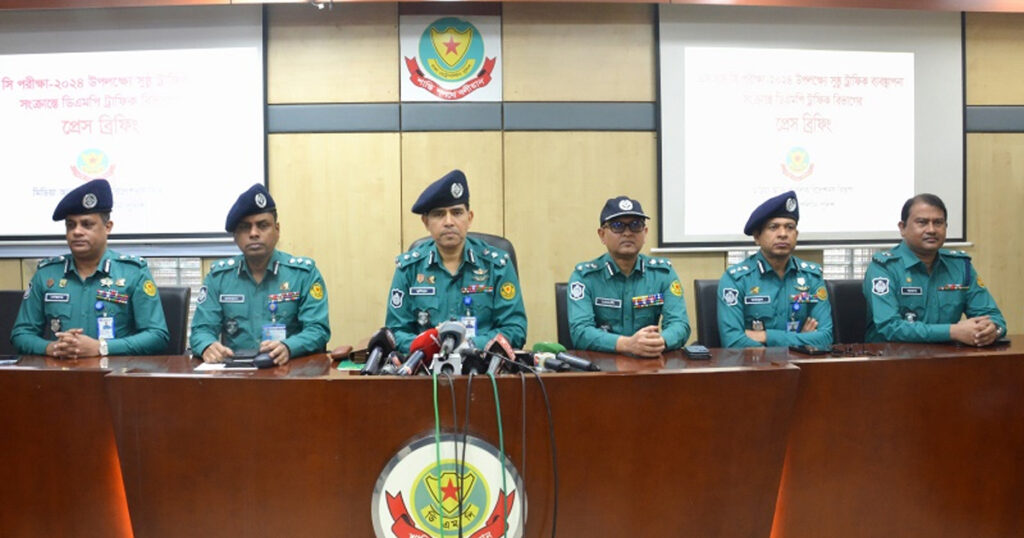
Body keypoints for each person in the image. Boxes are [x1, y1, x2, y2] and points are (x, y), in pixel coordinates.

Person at [11, 179, 169, 357]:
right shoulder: (47, 274)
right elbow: (21, 334)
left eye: (87, 224)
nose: (77, 231)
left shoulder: (133, 272)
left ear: (107, 227)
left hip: (116, 371)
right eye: (71, 225)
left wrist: (102, 348)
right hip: (60, 369)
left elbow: (157, 336)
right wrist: (52, 348)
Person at [386, 169, 527, 352]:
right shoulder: (409, 268)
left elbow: (515, 328)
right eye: (439, 214)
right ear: (426, 222)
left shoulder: (497, 265)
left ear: (469, 218)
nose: (449, 222)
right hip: (426, 364)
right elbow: (395, 332)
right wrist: (432, 344)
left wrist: (469, 345)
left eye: (457, 213)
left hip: (483, 363)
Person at [189, 184, 330, 365]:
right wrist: (208, 345)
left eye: (263, 226)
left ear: (277, 230)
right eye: (245, 227)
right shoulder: (219, 277)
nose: (254, 233)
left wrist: (288, 347)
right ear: (235, 236)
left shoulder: (303, 274)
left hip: (289, 369)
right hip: (237, 372)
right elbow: (201, 330)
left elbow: (318, 329)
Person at [864, 193, 1006, 345]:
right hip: (894, 356)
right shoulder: (884, 268)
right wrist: (952, 332)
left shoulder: (960, 266)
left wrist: (992, 331)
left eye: (938, 223)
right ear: (902, 228)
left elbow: (993, 317)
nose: (931, 230)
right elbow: (890, 327)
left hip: (949, 355)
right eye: (922, 222)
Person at [566, 196, 690, 357]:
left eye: (635, 225)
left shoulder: (663, 274)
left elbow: (680, 324)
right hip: (602, 365)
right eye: (617, 226)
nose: (627, 233)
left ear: (645, 233)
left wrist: (660, 341)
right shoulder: (585, 277)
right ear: (602, 235)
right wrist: (627, 344)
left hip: (650, 362)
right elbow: (580, 332)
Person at [717, 191, 833, 348]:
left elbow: (825, 338)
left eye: (789, 227)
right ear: (757, 237)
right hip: (754, 364)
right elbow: (733, 342)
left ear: (796, 234)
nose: (783, 234)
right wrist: (799, 341)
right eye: (773, 227)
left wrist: (765, 336)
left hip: (800, 363)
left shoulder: (811, 277)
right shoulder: (736, 279)